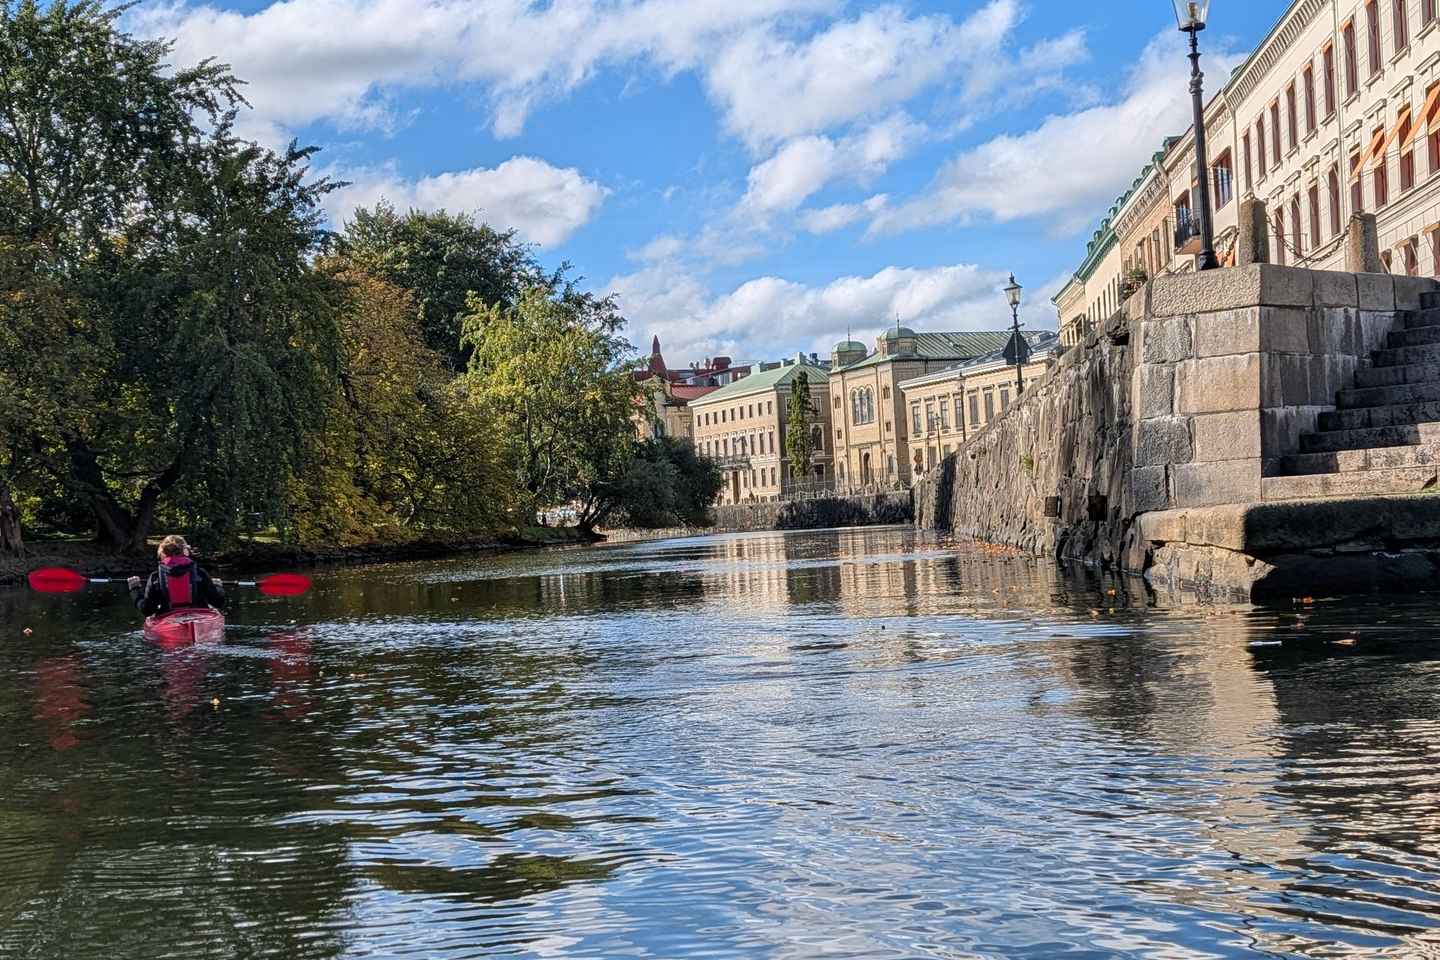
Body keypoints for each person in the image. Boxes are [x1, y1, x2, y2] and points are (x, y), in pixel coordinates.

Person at [127, 535, 227, 617]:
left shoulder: (156, 577)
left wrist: (135, 590)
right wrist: (218, 587)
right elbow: (218, 602)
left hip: (168, 619)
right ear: (185, 551)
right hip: (199, 618)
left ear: (162, 553)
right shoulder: (200, 573)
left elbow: (147, 610)